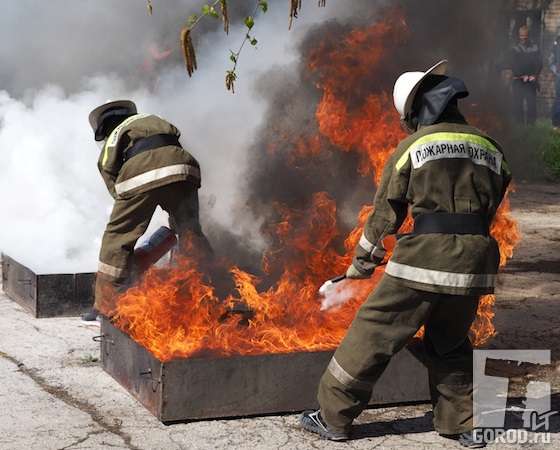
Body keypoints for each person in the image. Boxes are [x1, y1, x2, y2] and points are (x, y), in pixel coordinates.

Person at [300, 60, 512, 449]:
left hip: (427, 258)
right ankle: (460, 424)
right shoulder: (490, 146)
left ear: (418, 113)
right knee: (450, 340)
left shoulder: (413, 147)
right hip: (476, 264)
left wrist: (359, 269)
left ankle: (332, 416)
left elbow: (385, 216)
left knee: (374, 331)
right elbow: (493, 203)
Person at [82, 100, 213, 323]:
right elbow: (170, 150)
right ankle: (212, 286)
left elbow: (117, 189)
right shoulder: (153, 119)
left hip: (141, 171)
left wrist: (134, 215)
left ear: (103, 128)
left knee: (117, 237)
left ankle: (105, 305)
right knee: (190, 230)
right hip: (185, 169)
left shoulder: (113, 140)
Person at [509, 25, 542, 125]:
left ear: (529, 36)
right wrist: (522, 75)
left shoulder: (535, 48)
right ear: (519, 36)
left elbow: (539, 63)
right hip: (519, 81)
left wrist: (534, 75)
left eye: (525, 35)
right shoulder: (515, 49)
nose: (524, 38)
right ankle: (519, 124)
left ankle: (531, 124)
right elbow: (513, 64)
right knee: (518, 104)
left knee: (532, 104)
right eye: (522, 36)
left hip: (531, 81)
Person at [548, 32, 560, 130]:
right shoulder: (557, 42)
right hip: (559, 76)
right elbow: (551, 61)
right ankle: (556, 124)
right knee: (559, 99)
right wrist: (557, 72)